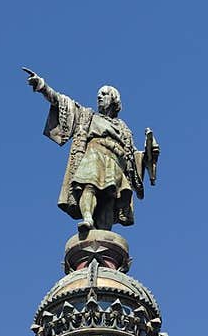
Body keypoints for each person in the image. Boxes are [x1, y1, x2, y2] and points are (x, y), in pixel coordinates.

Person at [26, 73, 149, 234]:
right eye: (98, 94)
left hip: (116, 162)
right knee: (89, 185)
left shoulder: (123, 128)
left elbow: (133, 159)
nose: (99, 96)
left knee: (109, 198)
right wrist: (43, 87)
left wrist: (148, 154)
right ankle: (88, 218)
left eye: (104, 94)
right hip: (95, 154)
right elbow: (62, 102)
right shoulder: (87, 116)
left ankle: (104, 234)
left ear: (114, 99)